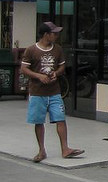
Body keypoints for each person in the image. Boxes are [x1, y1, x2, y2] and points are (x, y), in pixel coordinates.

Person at [22, 21, 84, 162]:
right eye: (54, 33)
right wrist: (39, 76)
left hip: (54, 91)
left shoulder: (58, 49)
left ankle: (65, 149)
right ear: (46, 34)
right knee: (39, 121)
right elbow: (24, 69)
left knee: (60, 119)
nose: (56, 36)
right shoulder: (31, 50)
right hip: (37, 92)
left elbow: (62, 67)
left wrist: (56, 73)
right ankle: (41, 150)